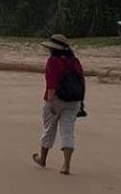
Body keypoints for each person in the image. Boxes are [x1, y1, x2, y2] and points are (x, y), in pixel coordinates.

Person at [32, 33, 86, 175]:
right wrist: (81, 103)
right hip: (74, 101)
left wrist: (50, 102)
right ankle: (66, 165)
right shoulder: (75, 61)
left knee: (49, 129)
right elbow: (81, 81)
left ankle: (43, 159)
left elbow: (51, 84)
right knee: (68, 132)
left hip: (56, 99)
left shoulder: (53, 61)